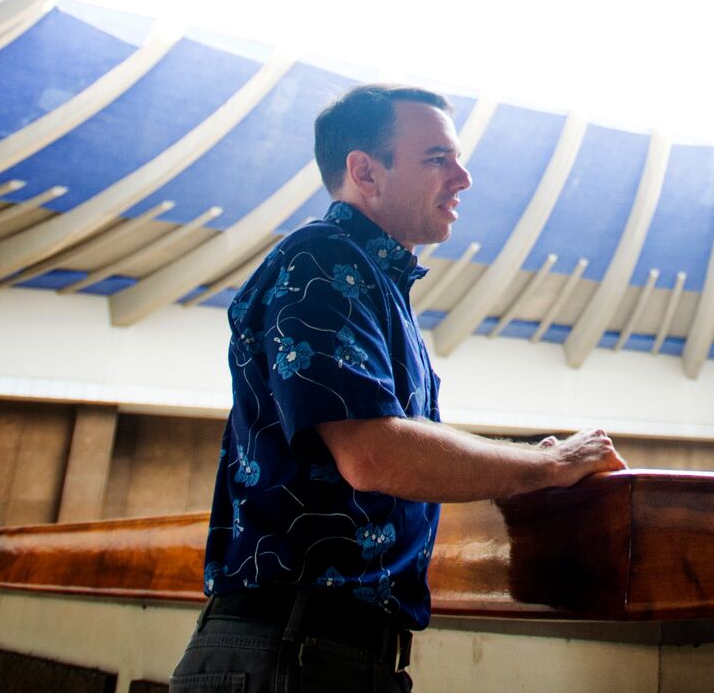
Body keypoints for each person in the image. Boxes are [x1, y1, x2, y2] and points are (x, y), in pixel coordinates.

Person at [171, 84, 626, 692]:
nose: (463, 177)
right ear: (364, 171)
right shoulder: (322, 262)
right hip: (291, 651)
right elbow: (374, 454)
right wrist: (547, 464)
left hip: (314, 649)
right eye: (438, 158)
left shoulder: (369, 279)